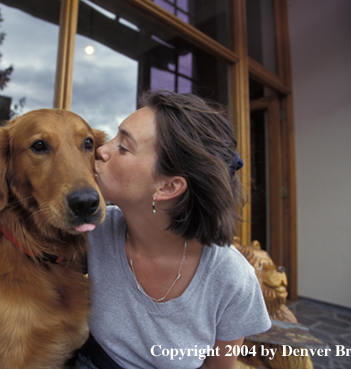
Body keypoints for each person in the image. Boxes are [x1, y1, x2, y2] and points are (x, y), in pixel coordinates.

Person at [74, 91, 271, 369]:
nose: (101, 150)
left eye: (123, 146)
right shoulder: (94, 231)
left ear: (167, 187)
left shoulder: (232, 280)